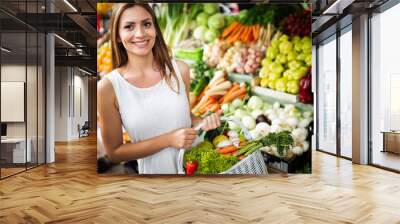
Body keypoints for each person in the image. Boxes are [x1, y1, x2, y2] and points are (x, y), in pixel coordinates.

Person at [97, 3, 222, 174]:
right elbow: (115, 153)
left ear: (155, 29)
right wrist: (168, 140)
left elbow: (187, 117)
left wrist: (202, 121)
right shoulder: (108, 87)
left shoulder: (180, 70)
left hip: (197, 172)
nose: (140, 33)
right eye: (129, 26)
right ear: (118, 36)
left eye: (146, 24)